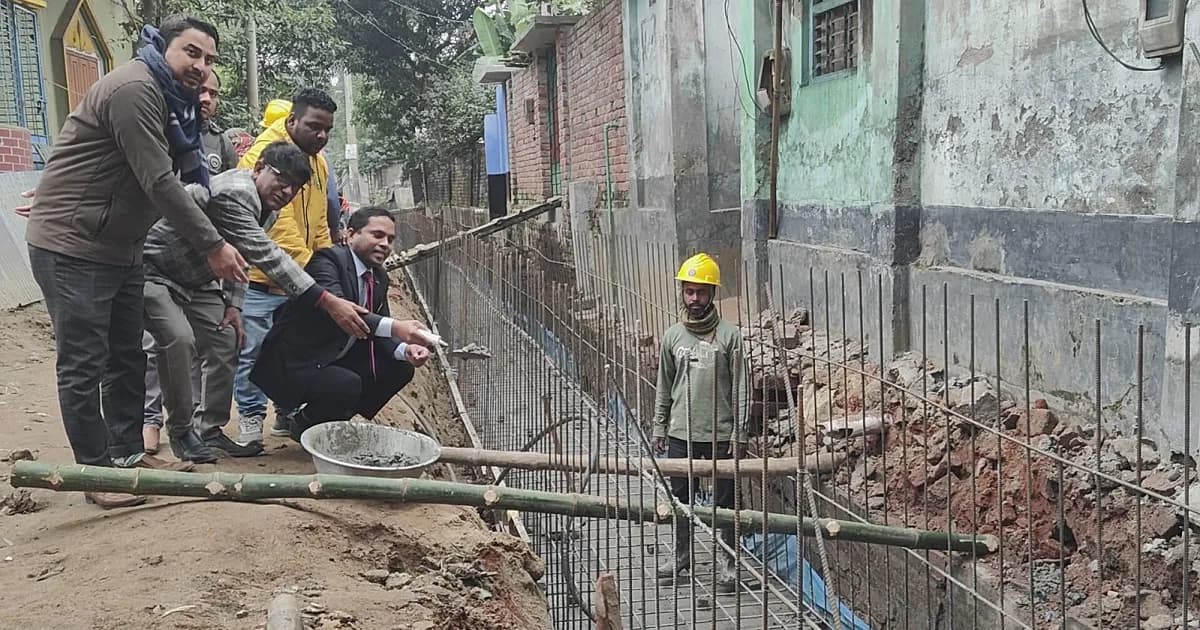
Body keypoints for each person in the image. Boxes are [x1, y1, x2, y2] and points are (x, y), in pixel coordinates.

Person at [21, 15, 248, 509]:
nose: (200, 66)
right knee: (84, 362)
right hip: (71, 244)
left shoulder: (176, 104)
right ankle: (96, 476)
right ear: (163, 47)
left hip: (119, 247)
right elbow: (159, 182)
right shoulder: (135, 90)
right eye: (192, 52)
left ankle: (126, 458)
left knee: (127, 355)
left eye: (209, 59)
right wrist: (213, 244)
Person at [143, 141, 371, 461]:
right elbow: (268, 256)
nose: (287, 190)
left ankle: (209, 431)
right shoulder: (237, 192)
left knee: (226, 339)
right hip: (155, 270)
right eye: (282, 179)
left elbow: (243, 257)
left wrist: (234, 306)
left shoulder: (269, 211)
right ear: (259, 168)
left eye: (296, 186)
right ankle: (181, 431)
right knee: (179, 340)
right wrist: (326, 300)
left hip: (197, 280)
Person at [250, 207, 431, 441]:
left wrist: (406, 349)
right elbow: (342, 312)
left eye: (390, 239)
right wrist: (398, 327)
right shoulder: (326, 261)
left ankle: (334, 419)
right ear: (351, 234)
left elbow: (380, 327)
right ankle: (302, 425)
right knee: (347, 384)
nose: (385, 244)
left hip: (336, 355)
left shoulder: (378, 277)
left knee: (399, 367)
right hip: (296, 362)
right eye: (377, 235)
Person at [233, 88, 339, 445]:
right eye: (314, 127)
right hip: (260, 279)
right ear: (292, 121)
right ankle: (250, 417)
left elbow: (320, 220)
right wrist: (313, 273)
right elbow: (278, 229)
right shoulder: (265, 157)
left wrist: (328, 265)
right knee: (253, 350)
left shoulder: (318, 162)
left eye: (327, 129)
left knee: (293, 350)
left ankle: (286, 411)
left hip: (302, 277)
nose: (321, 136)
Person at [143, 68, 237, 454]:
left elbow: (230, 213)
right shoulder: (158, 126)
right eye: (201, 90)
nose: (207, 98)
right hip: (156, 259)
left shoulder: (220, 143)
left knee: (218, 341)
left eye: (214, 93)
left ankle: (206, 427)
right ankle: (149, 420)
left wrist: (231, 295)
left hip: (201, 267)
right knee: (161, 342)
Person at [650, 253, 748, 592]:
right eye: (689, 292)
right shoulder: (673, 337)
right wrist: (659, 426)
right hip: (681, 433)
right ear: (682, 292)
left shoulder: (730, 337)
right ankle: (681, 555)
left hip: (720, 434)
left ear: (713, 294)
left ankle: (728, 562)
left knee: (726, 503)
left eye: (701, 292)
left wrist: (739, 432)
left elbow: (741, 389)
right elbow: (664, 385)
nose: (695, 299)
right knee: (680, 500)